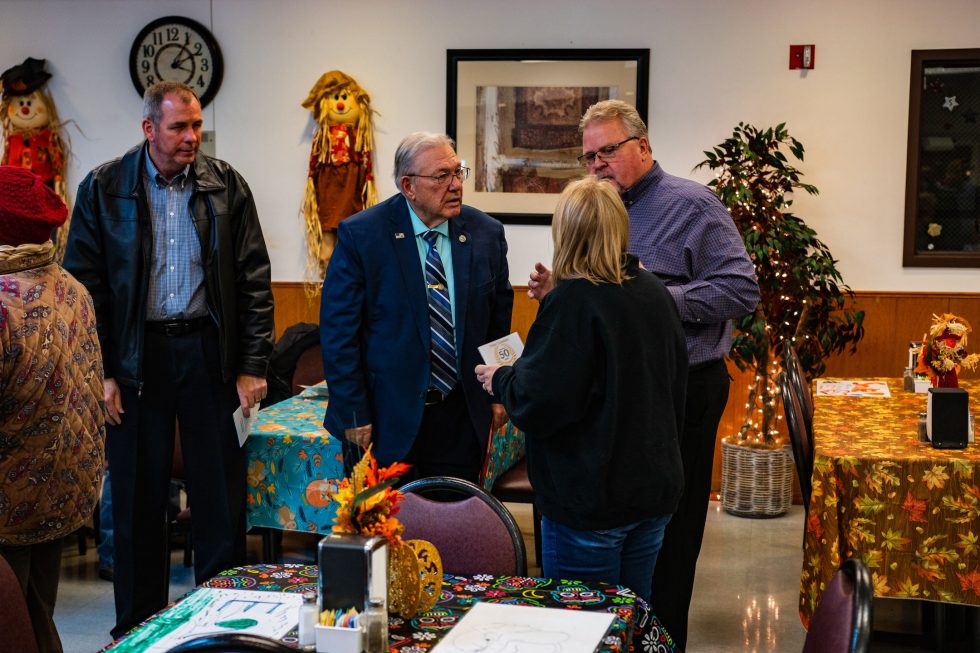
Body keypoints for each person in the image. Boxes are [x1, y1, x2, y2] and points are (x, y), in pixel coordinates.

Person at [527, 100, 759, 649]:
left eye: (608, 151)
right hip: (607, 396)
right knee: (618, 534)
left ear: (643, 147)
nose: (597, 165)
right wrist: (562, 290)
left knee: (670, 541)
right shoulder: (595, 210)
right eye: (588, 157)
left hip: (680, 390)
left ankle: (662, 643)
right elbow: (599, 301)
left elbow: (741, 289)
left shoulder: (692, 206)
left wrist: (652, 299)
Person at [63, 80, 274, 639]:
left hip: (209, 352)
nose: (191, 137)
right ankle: (136, 630)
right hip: (137, 358)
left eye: (196, 125)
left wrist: (253, 364)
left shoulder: (227, 185)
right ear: (149, 128)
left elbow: (253, 280)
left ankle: (222, 626)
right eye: (179, 126)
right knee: (138, 497)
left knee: (219, 497)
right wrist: (102, 372)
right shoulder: (104, 187)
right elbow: (85, 289)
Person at [475, 176, 687, 602]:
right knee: (631, 619)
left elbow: (539, 402)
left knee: (581, 625)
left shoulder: (574, 302)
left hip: (592, 501)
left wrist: (500, 379)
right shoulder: (652, 290)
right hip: (651, 490)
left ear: (566, 233)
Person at [320, 132, 513, 483]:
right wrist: (353, 413)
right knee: (382, 517)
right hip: (383, 419)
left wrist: (500, 390)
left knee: (456, 514)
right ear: (408, 185)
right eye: (442, 176)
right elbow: (339, 335)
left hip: (462, 417)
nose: (456, 185)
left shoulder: (486, 233)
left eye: (458, 172)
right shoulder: (362, 236)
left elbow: (498, 321)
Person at [0, 165, 105, 653]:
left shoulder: (4, 301)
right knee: (37, 616)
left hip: (9, 495)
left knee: (10, 627)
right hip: (62, 489)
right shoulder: (71, 288)